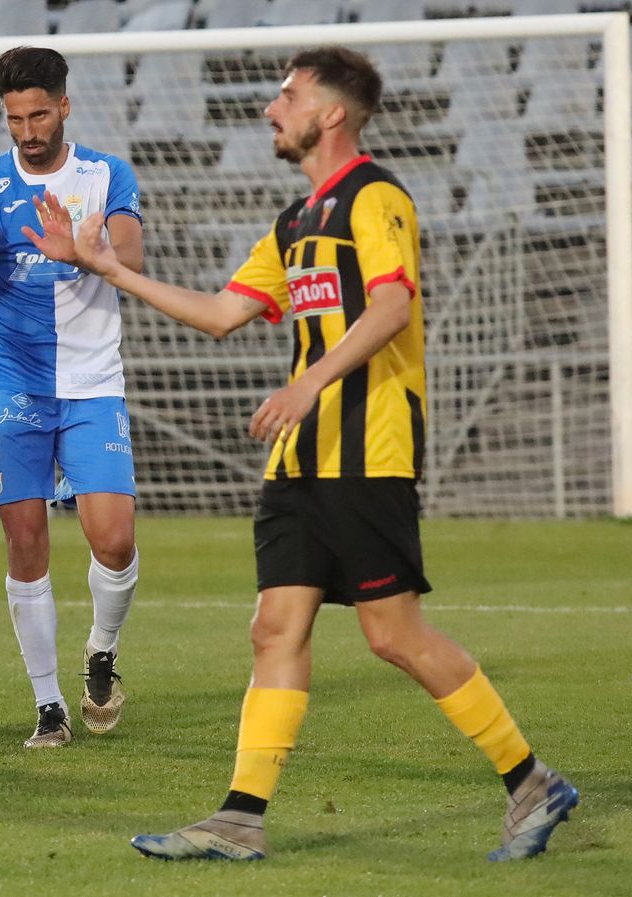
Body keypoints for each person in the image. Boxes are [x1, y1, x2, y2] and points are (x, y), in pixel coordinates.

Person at [36, 47, 578, 861]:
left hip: (370, 447)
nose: (270, 108)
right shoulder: (294, 225)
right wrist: (104, 265)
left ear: (331, 114)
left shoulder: (376, 196)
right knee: (274, 627)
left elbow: (391, 307)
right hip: (299, 461)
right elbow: (221, 312)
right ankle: (240, 817)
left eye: (287, 95)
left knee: (394, 635)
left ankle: (531, 779)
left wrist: (307, 384)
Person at [0, 46, 145, 749]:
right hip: (11, 379)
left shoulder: (106, 174)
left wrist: (87, 252)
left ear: (65, 106)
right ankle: (49, 706)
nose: (27, 130)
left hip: (91, 382)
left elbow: (133, 260)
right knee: (25, 538)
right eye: (14, 117)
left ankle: (101, 652)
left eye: (39, 113)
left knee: (114, 538)